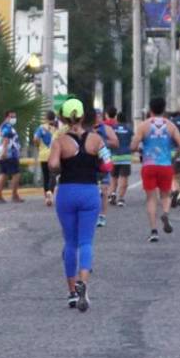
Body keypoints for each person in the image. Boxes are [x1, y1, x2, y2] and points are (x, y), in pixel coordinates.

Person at [48, 98, 104, 312]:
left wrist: (61, 161)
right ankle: (84, 283)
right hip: (90, 192)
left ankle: (72, 292)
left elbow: (53, 166)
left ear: (63, 117)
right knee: (86, 242)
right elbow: (107, 164)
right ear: (83, 117)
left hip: (68, 192)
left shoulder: (60, 140)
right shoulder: (96, 139)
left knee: (70, 243)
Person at [131, 96, 180, 242]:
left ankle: (154, 230)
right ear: (164, 109)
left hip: (149, 165)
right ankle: (166, 213)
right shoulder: (170, 125)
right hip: (165, 165)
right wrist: (173, 157)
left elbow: (133, 146)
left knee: (151, 198)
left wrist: (141, 151)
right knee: (165, 195)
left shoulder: (143, 125)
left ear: (150, 109)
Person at [0, 111, 23, 203]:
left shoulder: (2, 126)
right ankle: (14, 195)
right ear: (6, 117)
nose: (14, 118)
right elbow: (6, 139)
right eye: (11, 116)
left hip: (2, 153)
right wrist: (5, 152)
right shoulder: (7, 127)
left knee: (3, 173)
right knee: (16, 174)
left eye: (14, 116)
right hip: (9, 154)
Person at [106, 107, 132, 207]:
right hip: (125, 157)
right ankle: (121, 198)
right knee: (124, 178)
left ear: (117, 119)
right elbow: (133, 142)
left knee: (113, 178)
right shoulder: (129, 129)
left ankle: (112, 194)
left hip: (114, 156)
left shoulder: (113, 128)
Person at [32, 111, 57, 206]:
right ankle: (50, 193)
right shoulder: (56, 129)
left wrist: (38, 145)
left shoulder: (41, 128)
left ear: (46, 118)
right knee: (53, 176)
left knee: (46, 177)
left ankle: (46, 198)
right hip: (54, 156)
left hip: (43, 156)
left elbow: (35, 139)